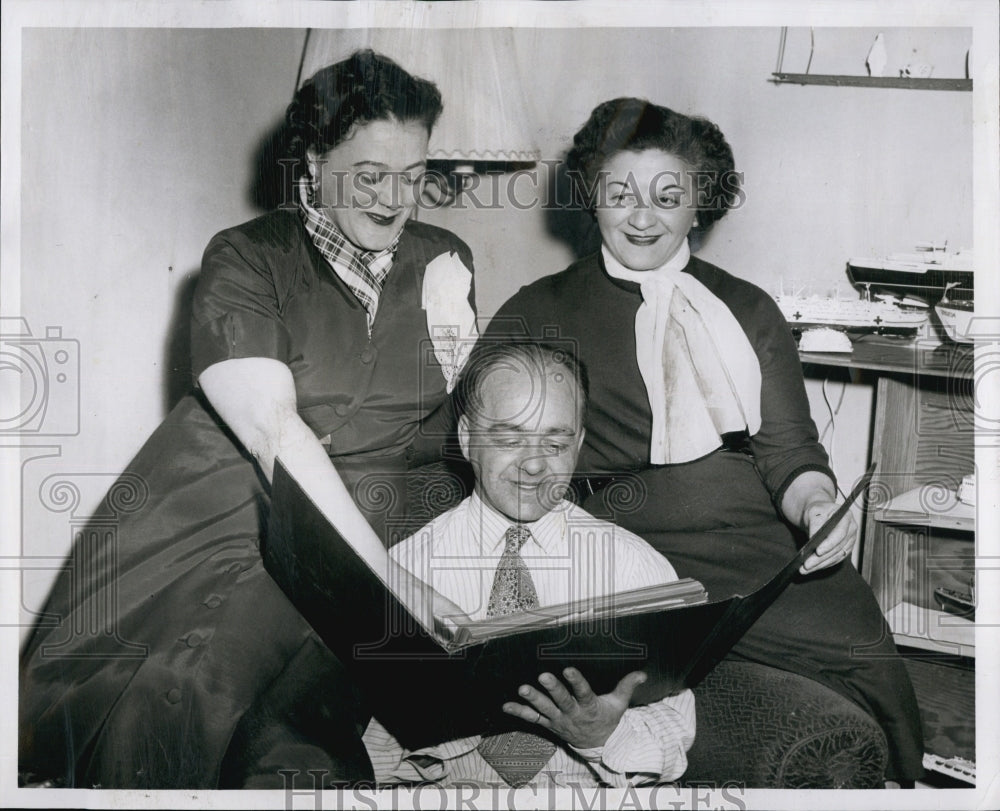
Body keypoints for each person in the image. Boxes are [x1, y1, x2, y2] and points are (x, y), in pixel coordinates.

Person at [19, 50, 478, 789]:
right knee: (195, 677)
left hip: (378, 512)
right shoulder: (245, 257)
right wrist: (392, 582)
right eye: (369, 174)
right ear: (313, 163)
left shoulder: (446, 260)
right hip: (230, 504)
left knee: (305, 705)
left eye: (414, 173)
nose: (396, 199)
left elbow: (467, 420)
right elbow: (273, 432)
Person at [482, 98, 923, 783]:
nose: (641, 216)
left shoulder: (748, 307)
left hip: (761, 559)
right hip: (624, 564)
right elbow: (481, 452)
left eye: (668, 196)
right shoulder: (537, 309)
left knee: (868, 671)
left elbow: (792, 455)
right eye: (619, 193)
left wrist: (818, 509)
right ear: (591, 197)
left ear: (700, 204)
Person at [362, 341, 696, 788]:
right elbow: (362, 751)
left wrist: (607, 734)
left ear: (578, 443)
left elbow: (677, 728)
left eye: (555, 442)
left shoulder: (634, 569)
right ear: (466, 438)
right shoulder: (404, 572)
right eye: (508, 438)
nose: (535, 464)